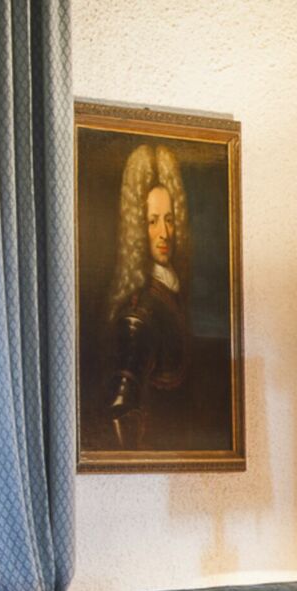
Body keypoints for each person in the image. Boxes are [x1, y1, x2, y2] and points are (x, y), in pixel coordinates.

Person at [105, 144, 193, 448]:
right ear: (138, 229)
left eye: (169, 219)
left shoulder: (172, 290)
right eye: (152, 221)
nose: (164, 233)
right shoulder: (137, 316)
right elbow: (121, 410)